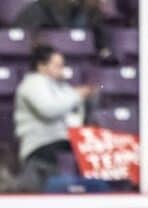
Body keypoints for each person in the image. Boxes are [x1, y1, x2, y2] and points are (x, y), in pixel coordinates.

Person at [14, 45, 94, 192]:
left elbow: (74, 114)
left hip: (60, 143)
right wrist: (76, 95)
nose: (61, 70)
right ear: (41, 66)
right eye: (57, 66)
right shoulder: (33, 83)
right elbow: (49, 109)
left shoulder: (60, 86)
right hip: (40, 147)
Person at [16, 0, 111, 60]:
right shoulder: (40, 7)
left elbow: (99, 35)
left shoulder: (90, 10)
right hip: (47, 54)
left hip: (77, 55)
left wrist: (103, 50)